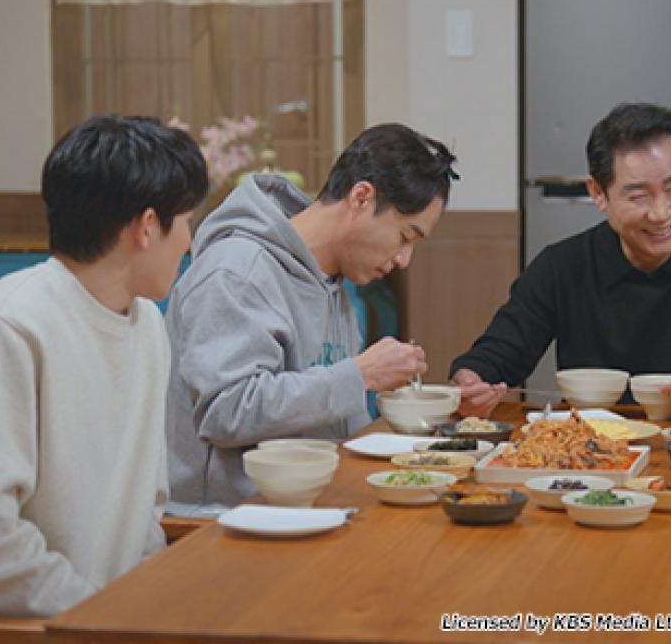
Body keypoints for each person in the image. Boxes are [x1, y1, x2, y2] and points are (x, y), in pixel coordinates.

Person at [0, 115, 209, 617]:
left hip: (105, 618)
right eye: (187, 220)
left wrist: (145, 608)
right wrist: (104, 616)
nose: (189, 241)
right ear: (147, 227)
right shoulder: (5, 329)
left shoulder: (147, 323)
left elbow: (146, 509)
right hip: (5, 629)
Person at [450, 102, 671, 417]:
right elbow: (497, 356)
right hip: (591, 453)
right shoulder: (563, 266)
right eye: (639, 196)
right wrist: (471, 382)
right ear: (598, 193)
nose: (661, 213)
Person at [165, 123, 457, 507]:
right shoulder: (237, 271)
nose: (404, 259)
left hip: (314, 501)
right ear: (361, 198)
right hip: (227, 517)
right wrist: (360, 375)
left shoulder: (334, 279)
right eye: (405, 237)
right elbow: (226, 413)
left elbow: (336, 419)